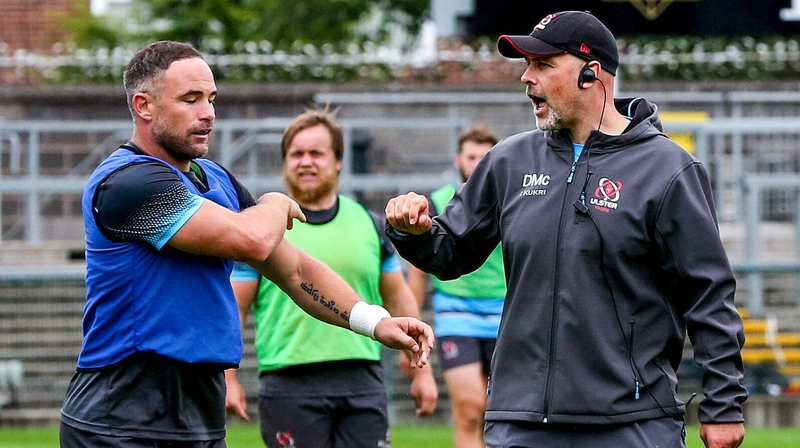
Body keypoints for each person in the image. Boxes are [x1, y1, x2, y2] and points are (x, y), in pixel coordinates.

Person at [384, 11, 747, 448]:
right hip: (521, 421)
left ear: (591, 74)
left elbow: (708, 295)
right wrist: (414, 231)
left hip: (633, 422)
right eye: (526, 65)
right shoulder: (509, 161)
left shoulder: (669, 169)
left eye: (542, 65)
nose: (526, 78)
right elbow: (450, 253)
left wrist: (723, 405)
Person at [58, 41, 434, 448]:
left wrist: (376, 322)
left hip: (198, 405)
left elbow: (294, 270)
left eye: (211, 98)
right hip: (123, 409)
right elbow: (252, 240)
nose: (208, 113)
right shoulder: (128, 183)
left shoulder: (215, 179)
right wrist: (273, 202)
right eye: (190, 99)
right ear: (144, 106)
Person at [224, 109, 438, 448]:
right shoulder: (264, 229)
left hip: (362, 379)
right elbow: (234, 308)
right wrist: (229, 379)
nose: (305, 162)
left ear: (338, 161)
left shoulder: (368, 223)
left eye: (316, 153)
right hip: (289, 382)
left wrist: (422, 372)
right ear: (284, 162)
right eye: (296, 154)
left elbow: (399, 299)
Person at [406, 124, 505, 448]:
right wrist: (413, 327)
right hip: (456, 315)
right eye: (471, 156)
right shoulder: (437, 203)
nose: (477, 163)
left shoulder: (514, 200)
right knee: (470, 411)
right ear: (458, 161)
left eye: (485, 157)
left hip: (505, 317)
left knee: (499, 417)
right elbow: (418, 269)